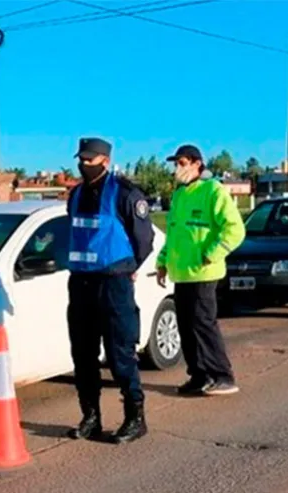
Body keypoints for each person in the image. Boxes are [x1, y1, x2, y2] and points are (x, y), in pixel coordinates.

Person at [66, 137, 155, 444]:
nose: (83, 165)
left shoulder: (125, 194)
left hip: (114, 283)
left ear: (104, 160)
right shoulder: (76, 194)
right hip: (80, 285)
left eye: (89, 160)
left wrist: (130, 267)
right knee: (83, 355)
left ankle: (135, 417)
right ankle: (91, 417)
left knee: (120, 355)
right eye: (81, 159)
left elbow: (144, 239)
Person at [156, 144, 246, 396]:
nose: (177, 168)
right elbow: (172, 235)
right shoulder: (179, 195)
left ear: (197, 164)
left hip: (204, 272)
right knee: (186, 327)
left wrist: (211, 253)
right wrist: (162, 263)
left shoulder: (212, 190)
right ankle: (199, 376)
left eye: (182, 163)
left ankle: (222, 376)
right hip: (182, 273)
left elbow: (235, 229)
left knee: (203, 324)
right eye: (176, 164)